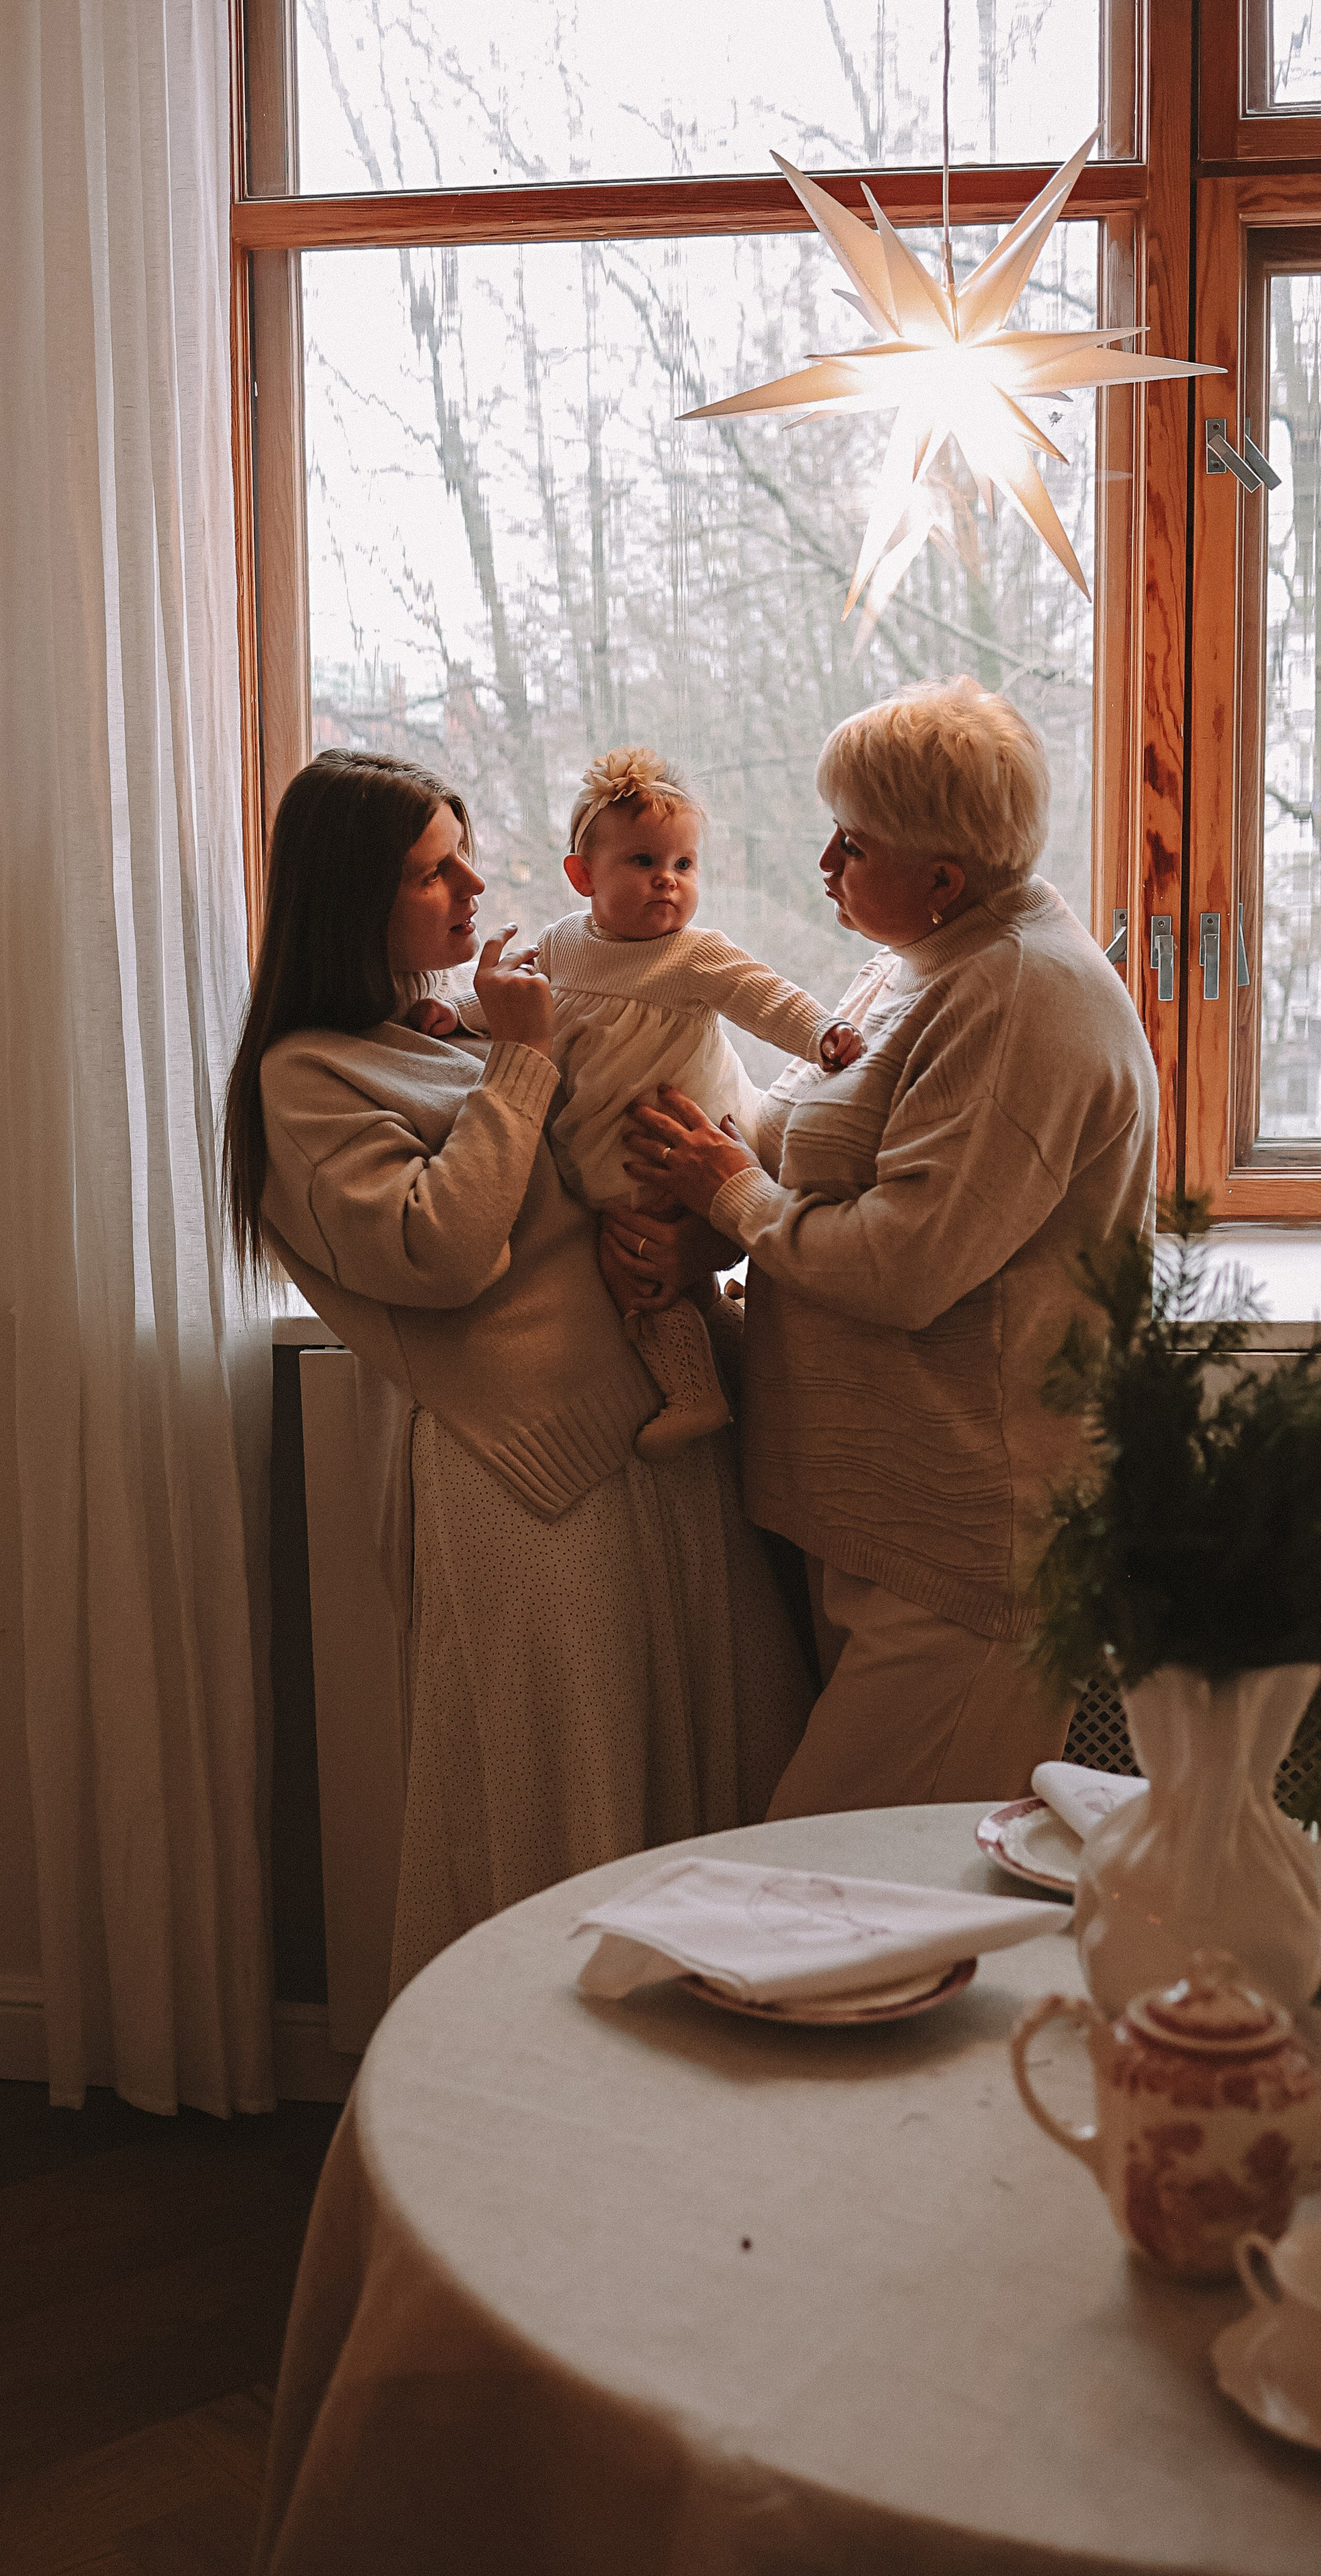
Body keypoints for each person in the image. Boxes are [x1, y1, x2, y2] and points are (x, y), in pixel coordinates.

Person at [224, 748, 811, 1991]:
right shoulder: (306, 1079)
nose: (475, 889)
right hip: (532, 1483)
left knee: (722, 1780)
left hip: (663, 1436)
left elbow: (604, 1186)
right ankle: (537, 2087)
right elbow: (443, 1250)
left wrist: (694, 1242)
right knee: (567, 1816)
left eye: (467, 858)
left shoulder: (442, 1032)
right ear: (354, 897)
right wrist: (526, 1059)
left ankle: (711, 2075)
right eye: (435, 872)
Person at [615, 676, 1158, 1818]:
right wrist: (691, 1201)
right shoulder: (916, 959)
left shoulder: (1023, 997)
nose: (824, 864)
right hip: (876, 1515)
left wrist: (730, 1201)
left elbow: (905, 1264)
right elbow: (788, 1138)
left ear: (943, 876)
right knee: (865, 1886)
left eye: (852, 844)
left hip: (969, 1546)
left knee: (833, 1877)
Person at [408, 744, 863, 1456]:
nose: (668, 881)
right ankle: (719, 1336)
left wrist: (823, 1034)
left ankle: (693, 1392)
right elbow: (522, 1000)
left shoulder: (693, 954)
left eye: (684, 864)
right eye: (644, 862)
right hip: (610, 1140)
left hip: (682, 1139)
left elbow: (764, 996)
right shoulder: (564, 943)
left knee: (633, 1267)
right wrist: (457, 1014)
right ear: (582, 876)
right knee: (638, 1262)